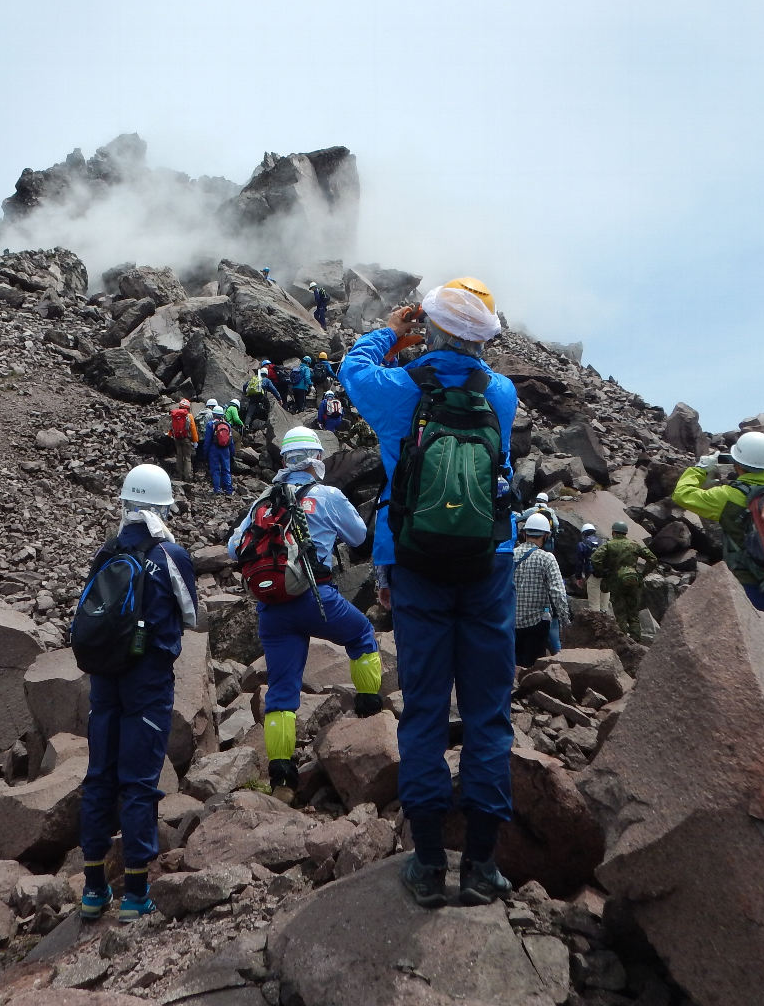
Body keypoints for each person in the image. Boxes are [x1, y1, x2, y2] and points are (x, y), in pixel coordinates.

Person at [340, 276, 519, 910]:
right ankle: (481, 864)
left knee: (423, 707)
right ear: (482, 337)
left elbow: (351, 368)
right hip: (487, 564)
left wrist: (394, 331)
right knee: (488, 710)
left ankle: (426, 862)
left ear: (432, 326)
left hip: (414, 563)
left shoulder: (396, 389)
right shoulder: (500, 393)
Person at [227, 427, 381, 802]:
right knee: (361, 635)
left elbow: (234, 549)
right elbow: (359, 537)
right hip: (316, 597)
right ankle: (370, 713)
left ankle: (281, 777)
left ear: (284, 461)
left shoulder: (264, 500)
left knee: (281, 692)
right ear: (316, 459)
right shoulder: (327, 496)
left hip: (272, 608)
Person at [79, 465, 199, 924]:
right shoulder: (170, 553)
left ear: (126, 503)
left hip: (104, 676)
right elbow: (190, 615)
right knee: (139, 781)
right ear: (163, 506)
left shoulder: (107, 550)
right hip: (147, 680)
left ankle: (92, 890)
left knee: (99, 775)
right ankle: (134, 893)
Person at [671, 430, 764, 632]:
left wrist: (701, 469)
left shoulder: (728, 497)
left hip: (746, 585)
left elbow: (682, 495)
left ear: (738, 464)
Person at [513, 514, 568, 667]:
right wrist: (565, 622)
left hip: (511, 622)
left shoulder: (510, 555)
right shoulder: (547, 558)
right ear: (546, 535)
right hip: (536, 622)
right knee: (533, 667)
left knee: (514, 666)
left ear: (525, 534)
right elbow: (558, 593)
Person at [591, 521, 658, 642]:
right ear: (626, 533)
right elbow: (653, 559)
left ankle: (623, 642)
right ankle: (637, 642)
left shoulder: (608, 545)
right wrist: (642, 574)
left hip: (616, 583)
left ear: (613, 532)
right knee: (633, 614)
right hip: (633, 582)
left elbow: (595, 558)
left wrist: (602, 572)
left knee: (620, 614)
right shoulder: (635, 544)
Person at [167, 398, 198, 482]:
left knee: (179, 457)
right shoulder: (189, 415)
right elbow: (193, 429)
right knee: (187, 457)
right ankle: (187, 477)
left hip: (177, 438)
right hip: (186, 439)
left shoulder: (174, 414)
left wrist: (169, 434)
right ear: (187, 407)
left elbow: (171, 426)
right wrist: (195, 440)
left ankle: (179, 476)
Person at [206, 405, 236, 495]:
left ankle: (217, 489)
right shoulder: (227, 425)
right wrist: (232, 453)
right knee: (226, 469)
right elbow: (231, 441)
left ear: (214, 414)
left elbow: (207, 440)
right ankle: (228, 490)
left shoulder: (210, 424)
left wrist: (205, 452)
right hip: (225, 449)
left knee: (215, 469)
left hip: (213, 449)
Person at [576, 523, 603, 609]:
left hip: (591, 574)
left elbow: (579, 562)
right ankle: (607, 620)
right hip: (605, 575)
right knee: (604, 604)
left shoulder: (582, 544)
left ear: (583, 533)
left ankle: (597, 622)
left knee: (594, 603)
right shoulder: (603, 542)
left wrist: (579, 577)